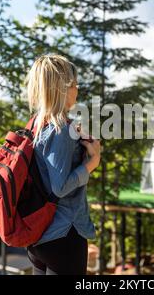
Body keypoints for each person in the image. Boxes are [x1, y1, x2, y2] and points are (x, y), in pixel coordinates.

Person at [25, 54, 101, 275]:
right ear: (62, 89)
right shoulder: (61, 129)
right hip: (64, 234)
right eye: (75, 84)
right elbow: (59, 187)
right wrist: (92, 162)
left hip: (39, 236)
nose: (77, 90)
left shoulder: (37, 125)